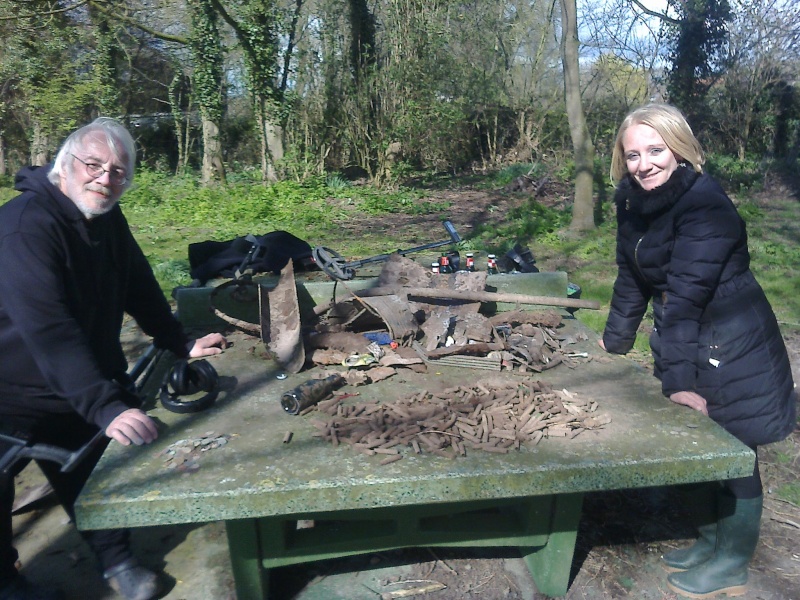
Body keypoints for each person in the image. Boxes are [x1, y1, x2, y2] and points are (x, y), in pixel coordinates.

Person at [0, 118, 229, 600]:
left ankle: (116, 559)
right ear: (65, 165)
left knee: (90, 468)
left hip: (75, 378)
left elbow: (136, 281)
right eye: (94, 165)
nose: (106, 178)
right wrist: (104, 404)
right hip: (8, 386)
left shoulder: (105, 217)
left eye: (118, 171)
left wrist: (176, 339)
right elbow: (48, 328)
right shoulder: (24, 228)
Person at [599, 103, 796, 598]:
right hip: (686, 337)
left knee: (734, 453)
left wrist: (680, 382)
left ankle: (731, 561)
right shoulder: (634, 202)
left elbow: (686, 299)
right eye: (632, 155)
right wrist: (614, 341)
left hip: (731, 343)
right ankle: (709, 541)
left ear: (680, 149)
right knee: (698, 443)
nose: (643, 164)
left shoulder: (705, 206)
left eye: (655, 150)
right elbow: (632, 278)